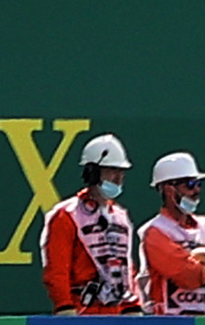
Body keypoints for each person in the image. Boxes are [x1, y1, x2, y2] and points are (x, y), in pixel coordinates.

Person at [37, 132, 145, 312]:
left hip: (117, 314)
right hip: (82, 311)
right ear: (92, 172)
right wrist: (64, 306)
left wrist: (132, 306)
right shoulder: (67, 215)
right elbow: (57, 269)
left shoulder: (120, 217)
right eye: (111, 170)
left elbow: (126, 268)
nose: (118, 178)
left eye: (121, 171)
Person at [137, 151, 205, 315]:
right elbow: (191, 276)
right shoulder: (154, 232)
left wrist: (194, 255)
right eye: (189, 184)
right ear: (168, 189)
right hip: (171, 324)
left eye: (198, 184)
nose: (196, 190)